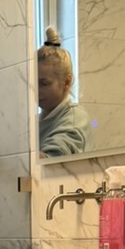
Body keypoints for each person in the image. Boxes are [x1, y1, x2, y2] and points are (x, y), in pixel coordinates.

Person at [37, 26, 94, 158]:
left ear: (66, 83)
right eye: (33, 84)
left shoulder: (76, 119)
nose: (36, 90)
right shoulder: (39, 120)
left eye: (44, 83)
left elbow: (50, 159)